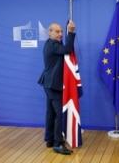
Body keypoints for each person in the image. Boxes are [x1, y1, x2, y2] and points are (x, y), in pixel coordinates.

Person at [38, 20, 76, 155]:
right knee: (59, 114)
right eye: (57, 31)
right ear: (50, 33)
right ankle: (58, 144)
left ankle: (50, 140)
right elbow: (66, 50)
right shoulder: (54, 45)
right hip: (53, 85)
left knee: (51, 113)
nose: (60, 34)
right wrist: (70, 33)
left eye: (61, 31)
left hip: (48, 83)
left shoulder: (49, 43)